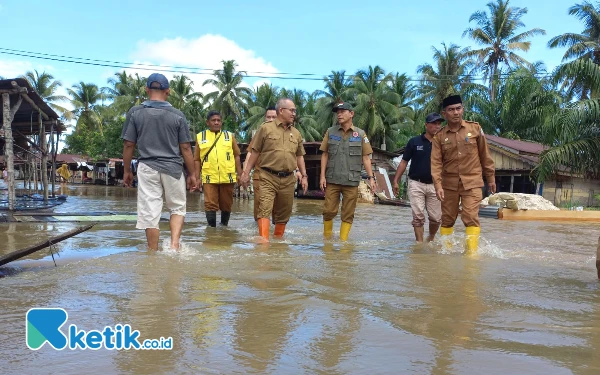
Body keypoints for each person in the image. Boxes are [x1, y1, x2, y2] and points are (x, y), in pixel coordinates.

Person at [122, 73, 197, 250]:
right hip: (173, 168)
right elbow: (186, 148)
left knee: (150, 212)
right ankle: (174, 246)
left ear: (147, 90)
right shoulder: (177, 115)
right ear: (168, 91)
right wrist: (192, 174)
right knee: (177, 208)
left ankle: (153, 252)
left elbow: (128, 144)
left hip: (147, 167)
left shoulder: (135, 113)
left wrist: (127, 170)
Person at [431, 94, 496, 254]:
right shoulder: (439, 137)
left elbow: (485, 155)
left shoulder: (474, 129)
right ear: (444, 113)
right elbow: (436, 163)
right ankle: (447, 253)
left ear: (463, 109)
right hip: (449, 185)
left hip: (472, 182)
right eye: (451, 110)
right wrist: (438, 185)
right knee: (447, 219)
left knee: (470, 215)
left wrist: (491, 178)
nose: (455, 112)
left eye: (458, 108)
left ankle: (471, 255)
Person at [240, 98, 308, 242]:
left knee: (284, 211)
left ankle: (278, 243)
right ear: (281, 111)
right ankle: (264, 243)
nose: (294, 113)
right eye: (292, 110)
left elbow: (300, 156)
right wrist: (245, 173)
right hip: (267, 176)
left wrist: (304, 175)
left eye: (295, 110)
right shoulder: (265, 128)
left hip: (288, 179)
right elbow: (255, 152)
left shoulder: (296, 133)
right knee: (264, 208)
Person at [319, 102, 376, 241]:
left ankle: (343, 242)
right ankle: (327, 240)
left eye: (343, 111)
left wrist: (371, 178)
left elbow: (366, 158)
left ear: (351, 114)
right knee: (328, 211)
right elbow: (325, 154)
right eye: (337, 112)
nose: (339, 114)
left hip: (351, 180)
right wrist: (322, 176)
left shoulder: (360, 134)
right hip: (332, 179)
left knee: (348, 213)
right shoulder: (331, 132)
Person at [392, 113, 444, 243]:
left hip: (435, 185)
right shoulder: (414, 142)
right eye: (433, 123)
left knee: (436, 218)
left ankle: (431, 238)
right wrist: (395, 180)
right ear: (426, 125)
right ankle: (419, 244)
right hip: (416, 183)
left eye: (439, 123)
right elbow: (404, 162)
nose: (437, 126)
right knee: (418, 216)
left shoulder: (443, 143)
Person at [246, 106, 303, 221]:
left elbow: (291, 154)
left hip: (284, 177)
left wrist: (298, 171)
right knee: (262, 206)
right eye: (268, 117)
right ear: (265, 118)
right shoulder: (262, 131)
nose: (271, 119)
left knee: (280, 208)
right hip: (262, 175)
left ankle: (274, 235)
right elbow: (251, 153)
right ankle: (262, 235)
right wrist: (245, 172)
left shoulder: (292, 133)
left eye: (273, 117)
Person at [194, 110, 242, 227]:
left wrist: (240, 174)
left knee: (227, 204)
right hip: (209, 176)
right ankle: (211, 230)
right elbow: (197, 159)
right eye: (213, 120)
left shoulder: (229, 136)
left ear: (221, 122)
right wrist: (197, 178)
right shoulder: (201, 137)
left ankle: (224, 227)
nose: (216, 123)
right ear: (207, 122)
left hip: (228, 176)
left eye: (218, 120)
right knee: (210, 204)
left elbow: (237, 155)